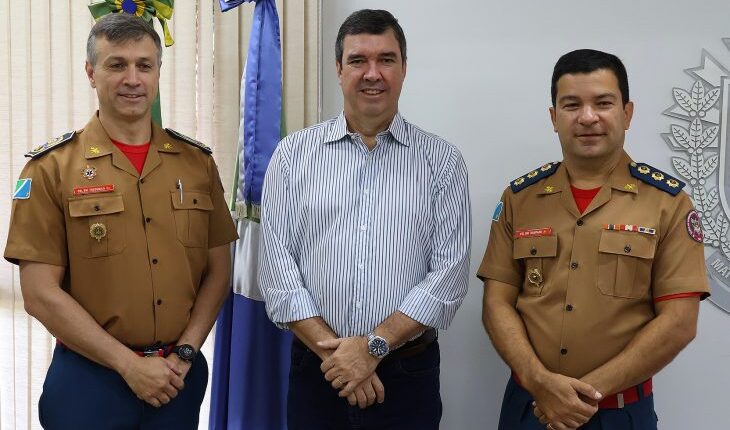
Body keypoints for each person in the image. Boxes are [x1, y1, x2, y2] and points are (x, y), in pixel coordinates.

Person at [4, 13, 238, 429]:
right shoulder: (50, 169)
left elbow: (218, 271)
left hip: (176, 378)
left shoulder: (196, 163)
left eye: (144, 65)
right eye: (117, 65)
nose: (133, 78)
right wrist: (128, 365)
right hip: (90, 379)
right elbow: (39, 293)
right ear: (91, 73)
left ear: (158, 73)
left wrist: (186, 352)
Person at [260, 9, 470, 430]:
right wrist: (340, 360)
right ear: (339, 70)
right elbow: (277, 271)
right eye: (358, 60)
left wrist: (372, 348)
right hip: (317, 372)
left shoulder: (442, 162)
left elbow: (449, 275)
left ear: (404, 69)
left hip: (407, 376)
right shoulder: (292, 157)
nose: (372, 73)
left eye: (386, 59)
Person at [478, 48, 709, 430]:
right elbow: (496, 303)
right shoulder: (519, 199)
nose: (588, 117)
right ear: (554, 118)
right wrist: (540, 382)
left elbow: (679, 323)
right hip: (530, 408)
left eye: (603, 103)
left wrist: (580, 396)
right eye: (571, 105)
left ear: (627, 112)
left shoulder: (669, 204)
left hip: (618, 414)